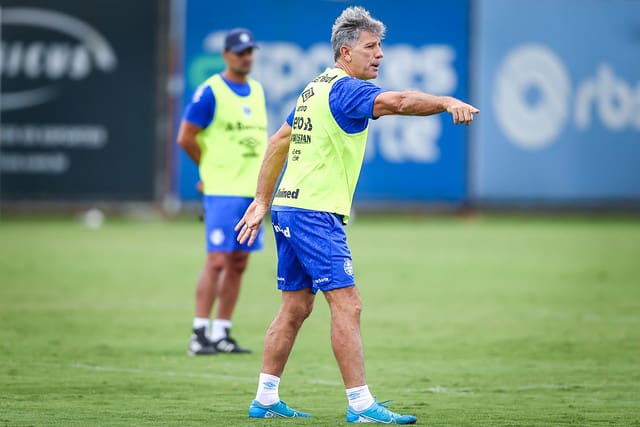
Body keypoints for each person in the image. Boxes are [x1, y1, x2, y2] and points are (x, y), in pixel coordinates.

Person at [235, 6, 479, 424]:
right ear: (345, 53)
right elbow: (399, 100)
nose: (379, 55)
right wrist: (445, 101)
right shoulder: (347, 89)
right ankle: (362, 405)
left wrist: (263, 201)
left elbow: (280, 139)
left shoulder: (316, 87)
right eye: (371, 47)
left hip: (292, 207)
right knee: (348, 305)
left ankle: (266, 398)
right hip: (314, 212)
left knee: (294, 308)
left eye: (380, 46)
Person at [177, 28, 267, 355]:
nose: (247, 57)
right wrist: (207, 171)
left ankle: (221, 333)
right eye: (241, 52)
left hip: (251, 193)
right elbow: (186, 137)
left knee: (239, 262)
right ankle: (199, 333)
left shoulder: (256, 91)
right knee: (217, 260)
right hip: (222, 190)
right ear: (226, 55)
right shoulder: (210, 91)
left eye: (250, 51)